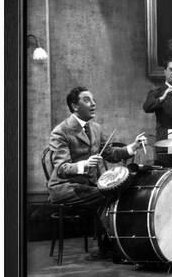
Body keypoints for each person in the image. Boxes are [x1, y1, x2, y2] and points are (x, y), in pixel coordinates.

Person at [48, 86, 147, 256]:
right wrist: (83, 165)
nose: (93, 104)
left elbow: (111, 154)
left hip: (89, 186)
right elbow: (62, 169)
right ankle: (113, 244)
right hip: (64, 186)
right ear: (74, 106)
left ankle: (117, 241)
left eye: (93, 100)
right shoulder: (60, 132)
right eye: (87, 100)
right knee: (106, 194)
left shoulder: (95, 128)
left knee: (118, 191)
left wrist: (133, 146)